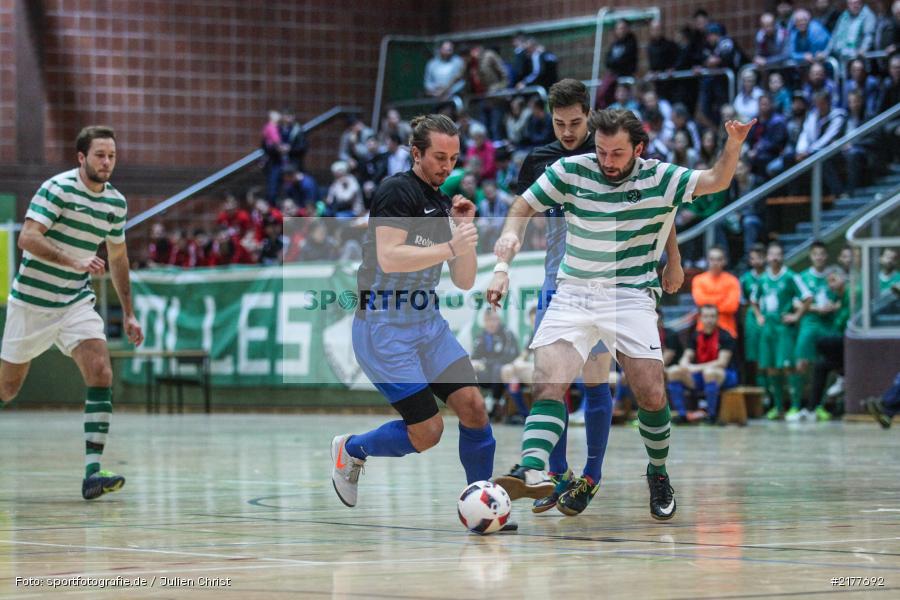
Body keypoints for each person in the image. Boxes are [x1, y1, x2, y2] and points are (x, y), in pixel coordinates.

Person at [487, 107, 755, 521]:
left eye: (616, 154)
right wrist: (509, 235)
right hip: (574, 291)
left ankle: (658, 472)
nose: (607, 162)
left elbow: (716, 180)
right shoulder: (572, 170)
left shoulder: (661, 176)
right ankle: (532, 465)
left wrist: (733, 144)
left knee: (650, 391)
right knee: (548, 380)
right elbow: (522, 206)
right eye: (601, 152)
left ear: (638, 149)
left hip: (630, 295)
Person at [500, 80, 685, 518]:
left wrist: (673, 258)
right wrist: (504, 260)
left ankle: (592, 475)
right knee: (551, 381)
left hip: (614, 283)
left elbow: (661, 209)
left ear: (590, 115)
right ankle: (556, 474)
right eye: (559, 123)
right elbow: (521, 211)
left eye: (576, 123)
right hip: (560, 281)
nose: (567, 132)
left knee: (596, 380)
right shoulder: (542, 160)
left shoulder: (615, 153)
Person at [331, 115, 500, 516]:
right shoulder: (395, 192)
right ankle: (351, 449)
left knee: (474, 408)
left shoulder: (444, 203)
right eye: (439, 157)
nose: (447, 166)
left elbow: (463, 279)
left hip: (428, 325)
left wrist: (463, 230)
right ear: (416, 153)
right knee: (428, 432)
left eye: (454, 158)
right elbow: (390, 257)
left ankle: (482, 505)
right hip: (383, 329)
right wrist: (450, 246)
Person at [0, 125, 145, 500]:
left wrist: (128, 313)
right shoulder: (57, 189)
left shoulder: (115, 203)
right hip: (31, 302)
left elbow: (118, 257)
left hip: (74, 303)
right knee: (8, 389)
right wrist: (72, 259)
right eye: (100, 155)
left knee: (101, 371)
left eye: (112, 155)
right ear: (81, 157)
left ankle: (92, 474)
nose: (107, 162)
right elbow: (28, 238)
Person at [751, 241, 812, 420]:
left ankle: (795, 406)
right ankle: (778, 407)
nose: (775, 258)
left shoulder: (791, 276)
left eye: (778, 254)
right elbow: (754, 300)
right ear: (767, 257)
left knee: (789, 367)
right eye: (772, 254)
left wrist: (796, 316)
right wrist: (759, 316)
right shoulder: (762, 279)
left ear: (783, 256)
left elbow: (808, 297)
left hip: (784, 329)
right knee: (770, 368)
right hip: (768, 329)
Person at [666, 304, 739, 423]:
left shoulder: (726, 336)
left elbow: (722, 363)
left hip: (725, 375)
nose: (709, 320)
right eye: (706, 316)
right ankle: (682, 415)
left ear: (717, 318)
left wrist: (695, 368)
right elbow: (687, 355)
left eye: (712, 316)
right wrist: (684, 363)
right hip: (701, 374)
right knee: (673, 371)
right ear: (700, 318)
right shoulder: (695, 335)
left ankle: (711, 415)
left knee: (709, 372)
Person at [793, 241, 837, 421]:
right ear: (811, 256)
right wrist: (815, 309)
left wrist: (832, 307)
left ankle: (818, 405)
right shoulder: (802, 277)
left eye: (822, 254)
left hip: (827, 325)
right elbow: (796, 303)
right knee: (801, 364)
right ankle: (796, 406)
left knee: (825, 365)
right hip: (809, 324)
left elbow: (841, 300)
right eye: (816, 254)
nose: (819, 257)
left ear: (826, 256)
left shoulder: (833, 277)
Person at [471, 310, 519, 416]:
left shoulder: (507, 333)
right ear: (484, 322)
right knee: (470, 368)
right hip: (487, 373)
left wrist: (485, 362)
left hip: (503, 372)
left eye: (494, 320)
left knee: (498, 368)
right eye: (488, 320)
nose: (491, 323)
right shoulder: (482, 336)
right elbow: (475, 357)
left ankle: (494, 404)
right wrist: (476, 363)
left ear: (499, 320)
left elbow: (509, 356)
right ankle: (473, 406)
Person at [691, 246, 742, 337]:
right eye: (712, 259)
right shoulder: (698, 280)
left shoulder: (732, 280)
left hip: (727, 328)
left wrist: (709, 302)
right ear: (707, 261)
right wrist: (722, 297)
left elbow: (732, 306)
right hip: (703, 329)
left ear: (724, 261)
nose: (715, 263)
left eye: (719, 259)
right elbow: (700, 302)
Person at [740, 243, 767, 386]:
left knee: (769, 356)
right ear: (750, 261)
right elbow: (743, 304)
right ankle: (761, 393)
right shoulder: (745, 279)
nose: (757, 261)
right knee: (755, 358)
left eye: (760, 257)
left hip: (770, 317)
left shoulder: (771, 276)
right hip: (752, 320)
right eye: (753, 258)